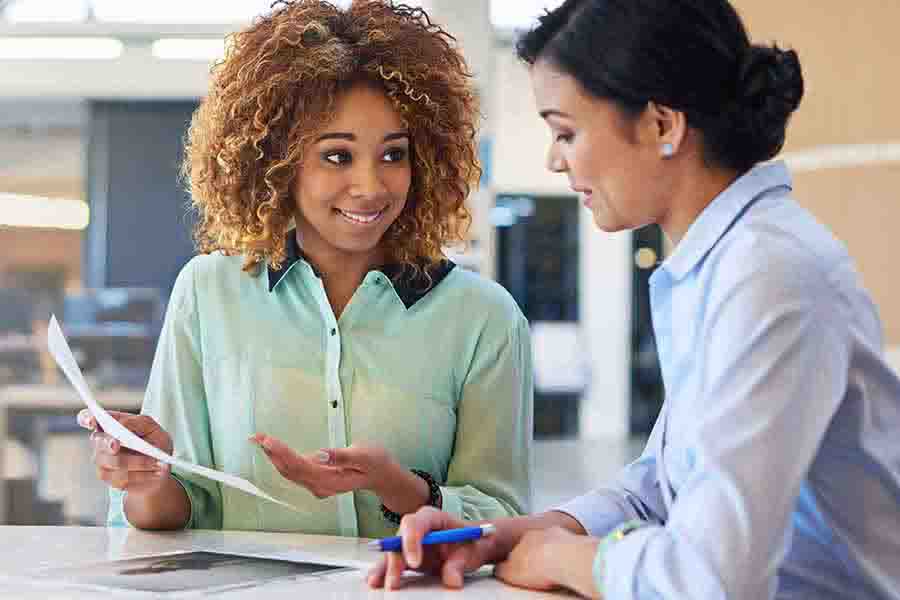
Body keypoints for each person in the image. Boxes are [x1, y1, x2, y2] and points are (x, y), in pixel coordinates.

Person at [368, 0, 900, 598]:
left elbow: (712, 579)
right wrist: (511, 535)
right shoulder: (718, 265)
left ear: (662, 125)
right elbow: (662, 484)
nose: (553, 159)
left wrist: (566, 559)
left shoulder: (771, 275)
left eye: (565, 131)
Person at [77, 0, 532, 539]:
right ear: (277, 162)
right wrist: (147, 479)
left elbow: (502, 516)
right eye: (337, 156)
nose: (371, 186)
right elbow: (179, 512)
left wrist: (402, 489)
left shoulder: (483, 318)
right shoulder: (208, 292)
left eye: (394, 155)